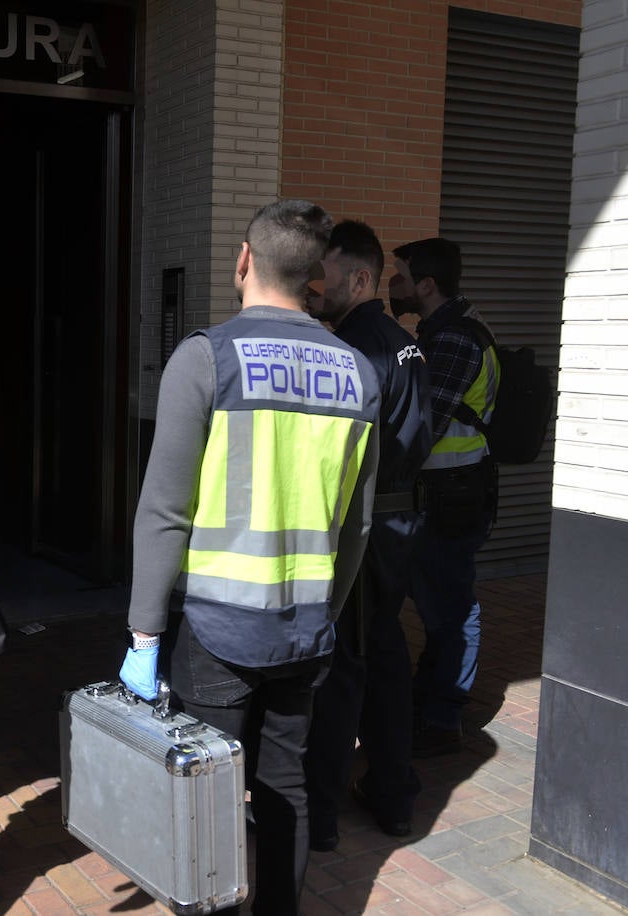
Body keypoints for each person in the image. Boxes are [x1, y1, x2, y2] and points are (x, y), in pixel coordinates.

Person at [119, 199, 381, 915]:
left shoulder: (207, 358)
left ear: (243, 261)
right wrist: (326, 611)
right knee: (284, 784)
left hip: (216, 630)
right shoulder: (357, 374)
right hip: (305, 629)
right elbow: (357, 523)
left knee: (205, 795)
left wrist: (144, 634)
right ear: (315, 276)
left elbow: (165, 510)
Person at [302, 221, 433, 849]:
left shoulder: (350, 352)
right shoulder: (404, 345)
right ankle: (392, 793)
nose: (312, 283)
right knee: (384, 654)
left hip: (363, 527)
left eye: (323, 271)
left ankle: (320, 816)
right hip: (401, 524)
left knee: (341, 666)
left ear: (359, 278)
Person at [389, 237, 499, 758]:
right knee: (439, 601)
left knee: (452, 608)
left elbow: (422, 426)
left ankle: (443, 717)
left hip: (451, 493)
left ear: (427, 285)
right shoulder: (445, 330)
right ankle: (431, 699)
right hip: (449, 488)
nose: (395, 286)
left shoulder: (454, 339)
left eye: (402, 277)